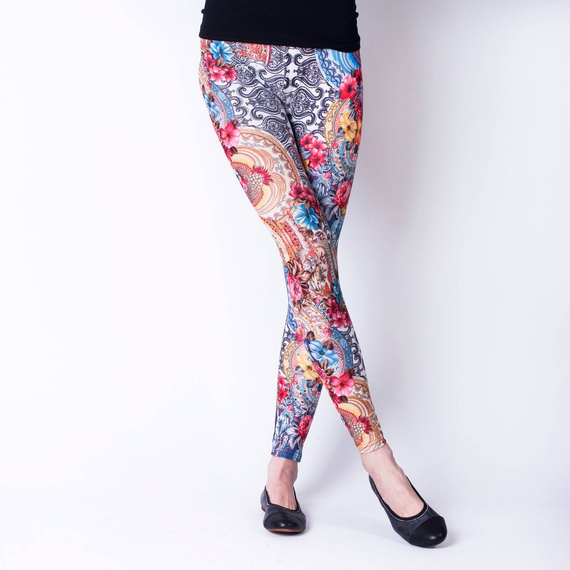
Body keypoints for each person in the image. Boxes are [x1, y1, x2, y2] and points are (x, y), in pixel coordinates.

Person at [197, 0, 447, 547]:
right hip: (237, 58)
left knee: (313, 280)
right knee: (310, 266)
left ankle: (280, 472)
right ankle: (381, 463)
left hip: (332, 62)